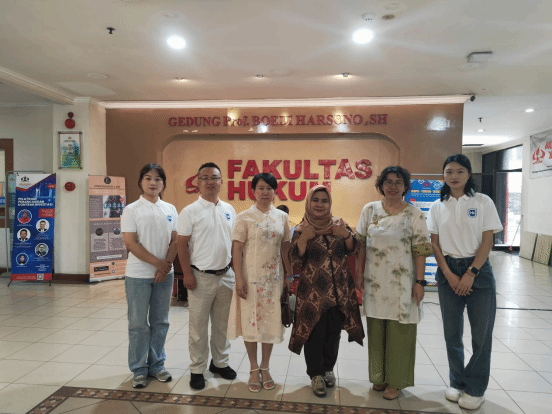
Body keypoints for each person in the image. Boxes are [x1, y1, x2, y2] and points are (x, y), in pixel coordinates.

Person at [428, 154, 502, 410]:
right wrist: (449, 274)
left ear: (469, 174)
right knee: (452, 333)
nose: (454, 176)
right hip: (448, 270)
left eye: (460, 171)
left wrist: (470, 273)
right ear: (443, 175)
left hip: (478, 272)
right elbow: (435, 244)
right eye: (449, 171)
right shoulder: (438, 206)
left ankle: (475, 387)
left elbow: (488, 241)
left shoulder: (482, 201)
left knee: (481, 334)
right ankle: (457, 381)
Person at [356, 166, 433, 400]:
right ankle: (378, 377)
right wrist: (358, 275)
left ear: (405, 186)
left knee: (401, 333)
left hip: (403, 284)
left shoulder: (414, 214)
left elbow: (420, 250)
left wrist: (420, 282)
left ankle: (396, 381)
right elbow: (361, 245)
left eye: (398, 182)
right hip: (374, 283)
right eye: (388, 182)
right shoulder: (370, 210)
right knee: (376, 331)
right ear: (381, 185)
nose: (393, 186)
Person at [289, 185, 364, 398]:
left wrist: (346, 235)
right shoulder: (300, 228)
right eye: (316, 200)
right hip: (312, 292)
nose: (320, 204)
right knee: (314, 332)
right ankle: (315, 374)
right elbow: (295, 259)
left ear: (330, 203)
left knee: (333, 332)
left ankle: (328, 368)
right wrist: (304, 239)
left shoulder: (340, 225)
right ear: (308, 202)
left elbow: (354, 249)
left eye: (324, 201)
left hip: (339, 289)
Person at [228, 173, 292, 393]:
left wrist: (289, 275)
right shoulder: (244, 217)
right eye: (261, 188)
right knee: (251, 322)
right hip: (250, 279)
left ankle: (265, 366)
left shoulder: (282, 217)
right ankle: (253, 368)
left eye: (269, 188)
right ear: (253, 192)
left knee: (269, 323)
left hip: (274, 280)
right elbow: (237, 249)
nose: (265, 192)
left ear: (275, 192)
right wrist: (239, 278)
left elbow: (285, 247)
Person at [177, 162, 237, 391]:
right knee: (198, 327)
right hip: (199, 277)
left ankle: (220, 363)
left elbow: (233, 244)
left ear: (221, 182)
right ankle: (197, 369)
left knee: (222, 325)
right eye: (205, 178)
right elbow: (182, 245)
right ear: (198, 182)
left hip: (226, 276)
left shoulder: (229, 209)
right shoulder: (189, 211)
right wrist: (187, 274)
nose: (210, 181)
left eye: (215, 177)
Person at [121, 163, 178, 389]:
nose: (153, 182)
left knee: (160, 322)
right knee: (138, 324)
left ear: (163, 183)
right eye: (148, 178)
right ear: (140, 182)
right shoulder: (131, 209)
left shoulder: (170, 209)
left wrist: (165, 268)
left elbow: (175, 241)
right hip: (138, 275)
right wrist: (158, 265)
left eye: (157, 179)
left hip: (165, 276)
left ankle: (156, 365)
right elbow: (131, 243)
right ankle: (138, 369)